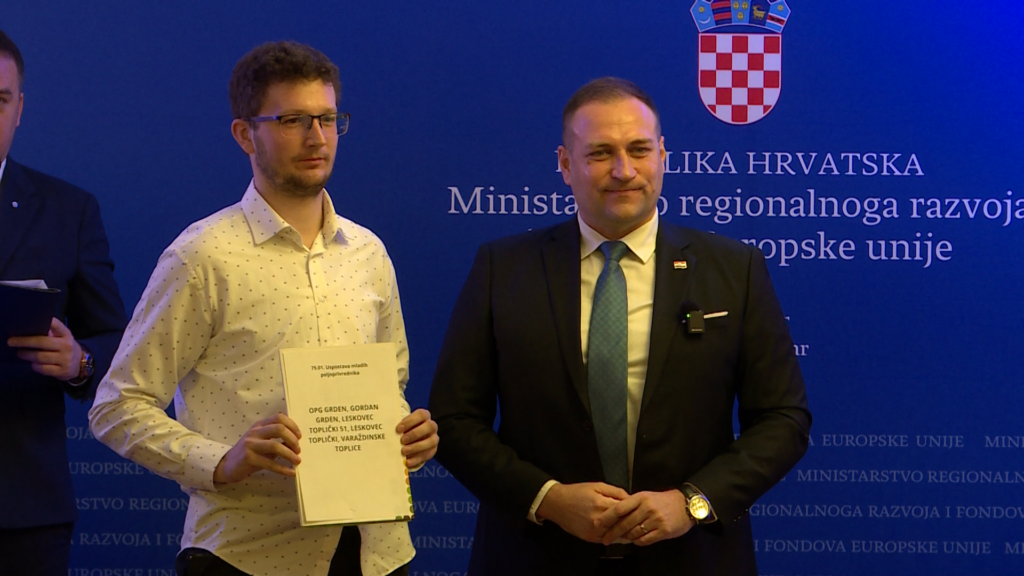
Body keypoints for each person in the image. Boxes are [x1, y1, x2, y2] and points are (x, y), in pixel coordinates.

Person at [428, 77, 811, 575]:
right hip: (535, 557)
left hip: (692, 559)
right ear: (566, 164)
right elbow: (454, 420)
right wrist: (548, 498)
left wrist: (692, 503)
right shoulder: (503, 269)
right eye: (600, 153)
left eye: (639, 150)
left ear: (663, 156)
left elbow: (783, 419)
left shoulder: (735, 271)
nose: (624, 170)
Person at [88, 41, 438, 576]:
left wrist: (407, 433)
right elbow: (117, 406)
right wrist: (222, 461)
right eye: (293, 120)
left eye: (327, 119)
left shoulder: (368, 252)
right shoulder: (202, 256)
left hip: (379, 554)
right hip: (247, 556)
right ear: (245, 134)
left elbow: (390, 384)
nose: (317, 137)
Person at [0, 29, 128, 576]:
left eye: (0, 99)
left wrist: (80, 361)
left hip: (22, 510)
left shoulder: (68, 210)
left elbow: (119, 341)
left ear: (19, 109)